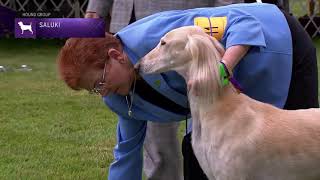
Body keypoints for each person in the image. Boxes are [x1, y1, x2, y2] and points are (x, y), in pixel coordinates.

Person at [57, 2, 319, 180]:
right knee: (198, 155)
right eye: (94, 90)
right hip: (225, 96)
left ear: (115, 56)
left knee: (295, 158)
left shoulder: (164, 36)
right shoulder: (116, 95)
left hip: (276, 44)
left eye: (99, 82)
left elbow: (243, 23)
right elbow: (126, 153)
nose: (102, 93)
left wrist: (223, 68)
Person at [85, 1, 243, 179]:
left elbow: (240, 20)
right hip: (126, 25)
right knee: (158, 146)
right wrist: (96, 9)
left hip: (189, 27)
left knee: (210, 137)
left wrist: (221, 12)